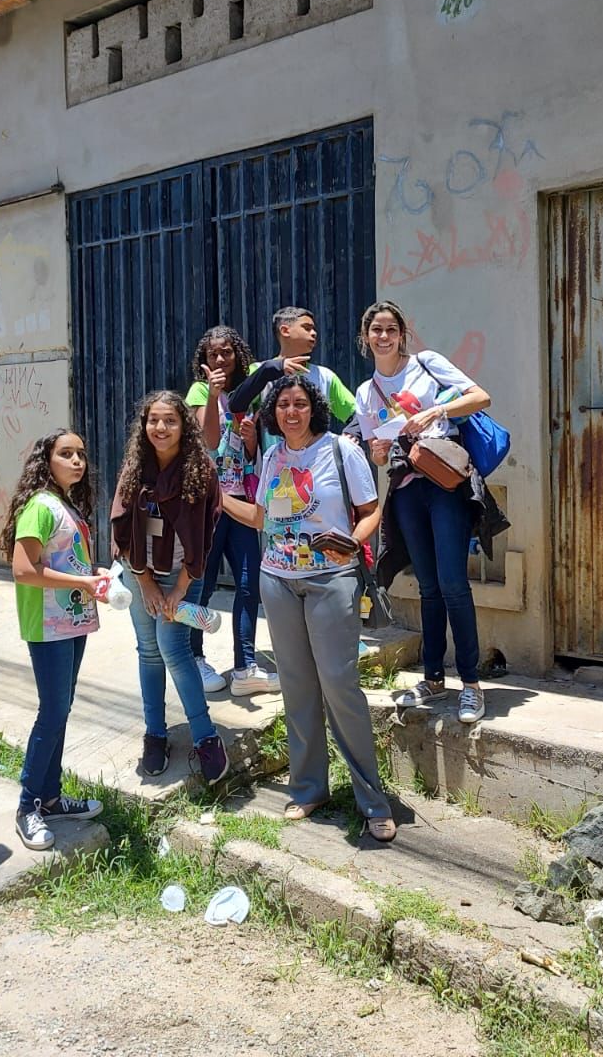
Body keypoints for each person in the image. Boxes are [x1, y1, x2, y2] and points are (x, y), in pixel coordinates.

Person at [219, 374, 397, 841]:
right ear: (273, 413)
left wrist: (352, 544)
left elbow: (372, 509)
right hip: (278, 580)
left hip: (330, 580)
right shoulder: (275, 454)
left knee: (341, 686)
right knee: (297, 689)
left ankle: (372, 800)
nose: (290, 412)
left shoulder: (341, 449)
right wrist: (218, 499)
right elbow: (261, 517)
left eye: (299, 404)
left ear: (312, 408)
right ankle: (308, 788)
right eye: (282, 406)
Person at [353, 301, 493, 724]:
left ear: (402, 334)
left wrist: (437, 410)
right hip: (406, 490)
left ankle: (470, 683)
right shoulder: (365, 393)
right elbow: (378, 455)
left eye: (390, 329)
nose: (383, 336)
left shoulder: (427, 365)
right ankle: (433, 678)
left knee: (453, 583)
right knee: (428, 586)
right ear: (366, 337)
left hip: (445, 485)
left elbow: (480, 396)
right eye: (375, 329)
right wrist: (377, 452)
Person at [110, 390, 231, 784]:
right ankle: (155, 734)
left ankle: (206, 737)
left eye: (170, 421)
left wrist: (178, 590)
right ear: (144, 426)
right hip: (138, 572)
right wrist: (145, 584)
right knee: (148, 652)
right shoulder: (134, 468)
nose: (160, 428)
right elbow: (121, 529)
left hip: (183, 574)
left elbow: (204, 538)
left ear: (184, 426)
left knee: (173, 649)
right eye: (153, 421)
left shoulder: (201, 472)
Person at [0, 429, 106, 852]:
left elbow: (66, 561)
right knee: (53, 710)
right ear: (47, 461)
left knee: (61, 709)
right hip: (47, 623)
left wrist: (92, 577)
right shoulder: (38, 508)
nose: (77, 460)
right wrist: (82, 579)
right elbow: (24, 569)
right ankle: (28, 806)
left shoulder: (66, 506)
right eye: (66, 454)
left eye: (81, 453)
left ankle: (52, 798)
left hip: (71, 620)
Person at [183, 325, 280, 698]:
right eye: (213, 354)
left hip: (240, 501)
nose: (220, 359)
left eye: (226, 352)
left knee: (247, 583)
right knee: (201, 585)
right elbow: (206, 440)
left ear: (238, 354)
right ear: (204, 362)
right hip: (206, 506)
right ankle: (194, 658)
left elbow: (252, 453)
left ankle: (245, 666)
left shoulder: (250, 395)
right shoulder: (198, 391)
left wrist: (252, 438)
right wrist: (212, 396)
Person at [226, 305, 357, 436]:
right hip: (274, 455)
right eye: (307, 328)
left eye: (314, 329)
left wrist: (352, 434)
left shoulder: (325, 376)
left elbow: (357, 414)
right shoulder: (260, 371)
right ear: (285, 330)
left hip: (316, 455)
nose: (314, 333)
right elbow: (235, 405)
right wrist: (270, 370)